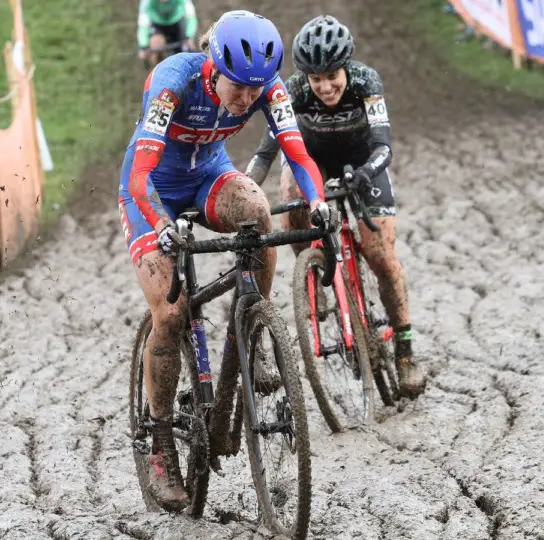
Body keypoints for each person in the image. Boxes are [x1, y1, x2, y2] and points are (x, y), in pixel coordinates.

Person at [119, 10, 330, 512]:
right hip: (151, 193)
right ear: (213, 68)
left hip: (209, 175)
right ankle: (162, 444)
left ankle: (254, 332)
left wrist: (318, 201)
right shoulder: (173, 82)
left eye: (255, 89)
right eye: (238, 88)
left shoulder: (267, 88)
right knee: (170, 314)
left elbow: (297, 154)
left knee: (258, 213)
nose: (246, 99)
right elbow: (140, 174)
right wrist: (162, 225)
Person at [246, 15, 425, 399]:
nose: (326, 86)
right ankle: (312, 268)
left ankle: (406, 352)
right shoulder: (292, 90)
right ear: (305, 77)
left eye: (333, 77)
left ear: (346, 68)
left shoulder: (365, 82)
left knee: (380, 255)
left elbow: (384, 147)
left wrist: (365, 174)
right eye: (317, 79)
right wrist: (245, 189)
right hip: (314, 163)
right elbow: (265, 153)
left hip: (363, 163)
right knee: (290, 191)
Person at [137, 0, 198, 66]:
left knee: (186, 49)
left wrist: (189, 36)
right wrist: (143, 46)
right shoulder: (147, 2)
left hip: (177, 22)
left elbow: (191, 18)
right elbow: (143, 26)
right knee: (156, 47)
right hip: (157, 24)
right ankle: (159, 70)